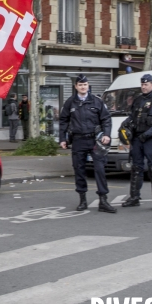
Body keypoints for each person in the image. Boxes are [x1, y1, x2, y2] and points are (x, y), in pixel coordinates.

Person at [59, 74, 115, 213]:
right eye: (80, 85)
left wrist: (107, 134)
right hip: (78, 140)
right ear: (76, 86)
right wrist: (62, 138)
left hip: (94, 140)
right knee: (79, 169)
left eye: (85, 85)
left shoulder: (97, 101)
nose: (83, 87)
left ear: (88, 86)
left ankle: (103, 200)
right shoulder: (70, 102)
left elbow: (106, 119)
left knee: (100, 169)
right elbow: (63, 121)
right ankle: (82, 200)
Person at [120, 74, 152, 211]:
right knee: (136, 168)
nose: (144, 87)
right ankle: (134, 197)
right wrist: (123, 126)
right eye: (142, 84)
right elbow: (132, 117)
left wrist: (146, 135)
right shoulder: (138, 100)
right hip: (137, 139)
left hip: (150, 140)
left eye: (146, 84)